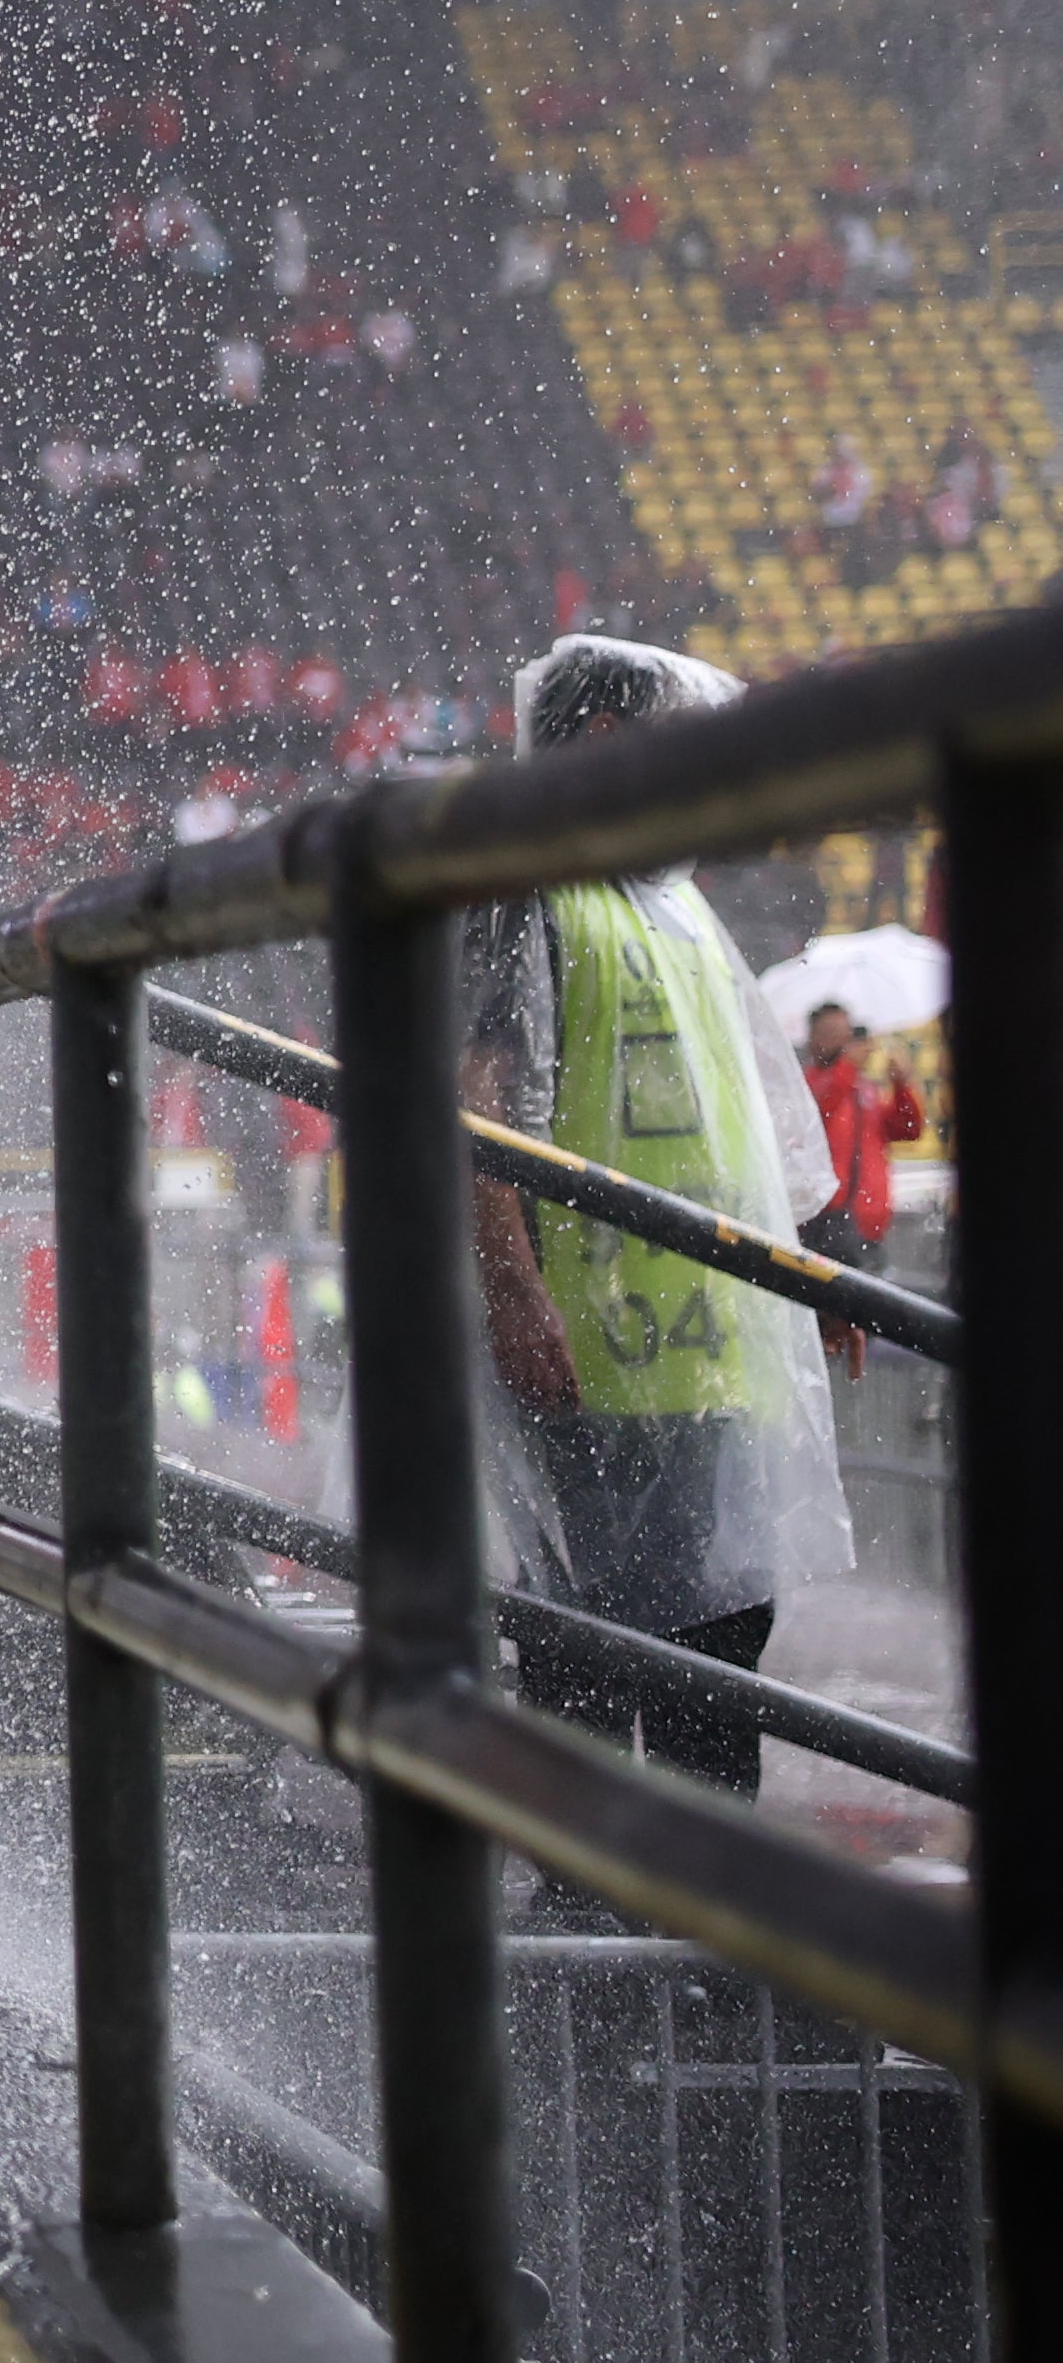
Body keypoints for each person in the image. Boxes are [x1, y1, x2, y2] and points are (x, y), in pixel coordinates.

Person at [466, 637, 854, 1793]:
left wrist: (810, 1276)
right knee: (585, 1665)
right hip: (586, 1350)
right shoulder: (532, 882)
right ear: (601, 742)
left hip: (705, 1351)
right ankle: (588, 1946)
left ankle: (693, 1943)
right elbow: (480, 1099)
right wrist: (513, 1288)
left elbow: (757, 1127)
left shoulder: (679, 908)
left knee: (721, 1651)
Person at [797, 997, 925, 1277]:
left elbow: (907, 1130)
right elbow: (820, 1111)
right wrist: (847, 1067)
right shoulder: (807, 1083)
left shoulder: (862, 1088)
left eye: (847, 1032)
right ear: (813, 1038)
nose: (844, 1041)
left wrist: (901, 1085)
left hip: (868, 1226)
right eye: (833, 1033)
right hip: (827, 1225)